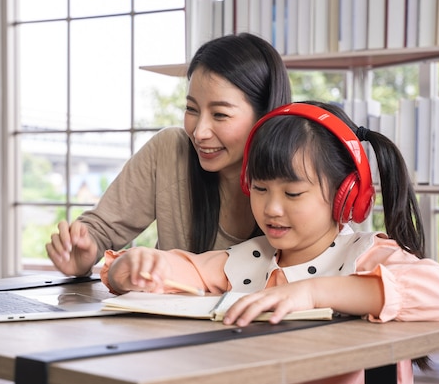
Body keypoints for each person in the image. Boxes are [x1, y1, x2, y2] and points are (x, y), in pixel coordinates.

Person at [100, 101, 439, 384]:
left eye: (293, 194)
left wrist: (311, 293)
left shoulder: (366, 256)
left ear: (345, 196)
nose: (272, 208)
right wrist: (133, 267)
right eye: (260, 189)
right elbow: (189, 269)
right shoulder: (253, 257)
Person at [46, 33, 292, 277]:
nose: (199, 132)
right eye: (191, 109)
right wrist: (82, 250)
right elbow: (100, 229)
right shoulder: (170, 150)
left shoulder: (303, 169)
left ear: (265, 116)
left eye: (220, 114)